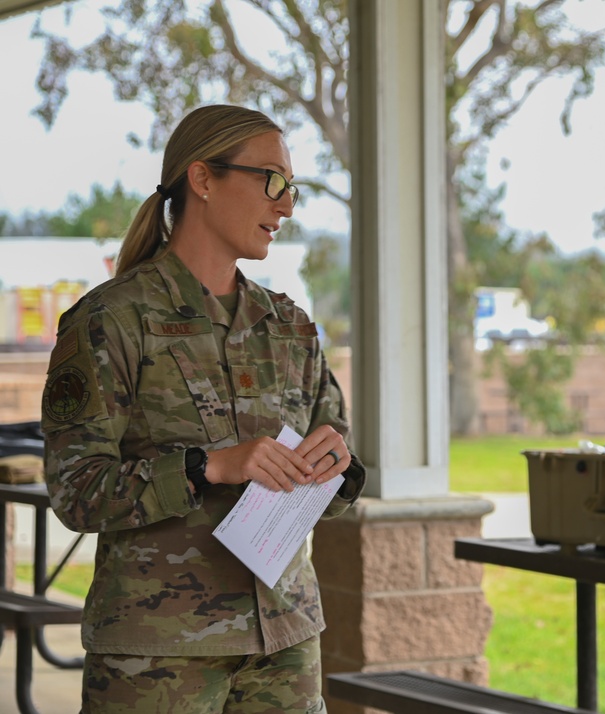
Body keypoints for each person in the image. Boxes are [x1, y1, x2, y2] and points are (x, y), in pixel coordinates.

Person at [40, 104, 366, 713]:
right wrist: (208, 466)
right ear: (204, 179)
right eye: (272, 181)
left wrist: (338, 470)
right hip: (156, 656)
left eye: (291, 187)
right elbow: (76, 491)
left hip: (286, 642)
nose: (287, 205)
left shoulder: (289, 325)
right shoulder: (111, 320)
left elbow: (336, 473)